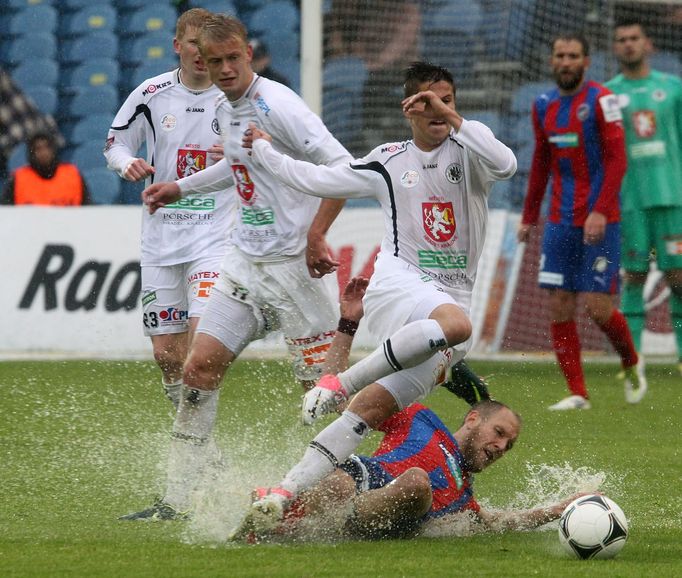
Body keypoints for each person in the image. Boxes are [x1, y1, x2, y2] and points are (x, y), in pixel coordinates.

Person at [229, 61, 516, 534]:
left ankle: (282, 495)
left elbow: (507, 164)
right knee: (457, 325)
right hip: (400, 285)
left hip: (449, 300)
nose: (439, 109)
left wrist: (455, 117)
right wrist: (263, 150)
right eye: (427, 101)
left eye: (447, 99)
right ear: (408, 108)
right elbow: (316, 180)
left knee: (369, 412)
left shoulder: (472, 151)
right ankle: (337, 384)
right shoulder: (388, 160)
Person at [121, 13, 351, 520]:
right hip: (244, 262)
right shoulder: (228, 108)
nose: (223, 69)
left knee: (321, 394)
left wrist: (316, 235)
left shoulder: (278, 105)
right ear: (199, 56)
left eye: (232, 59)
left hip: (294, 270)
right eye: (214, 60)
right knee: (197, 368)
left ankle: (350, 491)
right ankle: (177, 498)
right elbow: (235, 165)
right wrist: (181, 186)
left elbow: (344, 170)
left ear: (248, 54)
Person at [231, 277, 576, 542]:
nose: (501, 447)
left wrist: (555, 511)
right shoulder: (419, 418)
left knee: (415, 481)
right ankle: (272, 521)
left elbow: (497, 520)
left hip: (374, 511)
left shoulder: (462, 496)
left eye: (508, 445)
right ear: (472, 418)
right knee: (339, 481)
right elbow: (337, 402)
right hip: (351, 481)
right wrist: (348, 325)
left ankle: (287, 520)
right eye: (499, 433)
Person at [104, 9, 235, 416]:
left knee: (202, 343)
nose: (200, 53)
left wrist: (239, 152)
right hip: (162, 240)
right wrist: (126, 164)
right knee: (168, 356)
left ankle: (195, 441)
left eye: (207, 45)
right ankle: (197, 439)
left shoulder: (235, 95)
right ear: (178, 45)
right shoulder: (151, 93)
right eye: (192, 43)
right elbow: (115, 144)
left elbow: (269, 150)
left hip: (214, 236)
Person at [517, 32, 646, 410]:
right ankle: (578, 393)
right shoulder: (542, 105)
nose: (567, 61)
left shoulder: (603, 101)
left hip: (601, 220)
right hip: (559, 220)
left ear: (586, 62)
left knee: (597, 307)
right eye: (560, 55)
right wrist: (528, 217)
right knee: (559, 304)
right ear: (552, 61)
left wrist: (601, 211)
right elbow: (541, 163)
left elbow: (617, 160)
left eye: (574, 55)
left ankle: (631, 362)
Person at [606, 19, 682, 378]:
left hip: (671, 198)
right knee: (634, 275)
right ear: (615, 47)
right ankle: (630, 361)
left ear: (648, 44)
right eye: (622, 39)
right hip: (630, 201)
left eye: (634, 38)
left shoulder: (673, 89)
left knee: (678, 275)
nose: (628, 44)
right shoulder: (608, 95)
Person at [1, 131, 91, 205]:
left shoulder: (73, 175)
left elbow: (88, 210)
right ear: (31, 153)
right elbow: (6, 216)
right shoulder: (17, 179)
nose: (44, 153)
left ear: (54, 150)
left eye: (47, 147)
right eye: (38, 149)